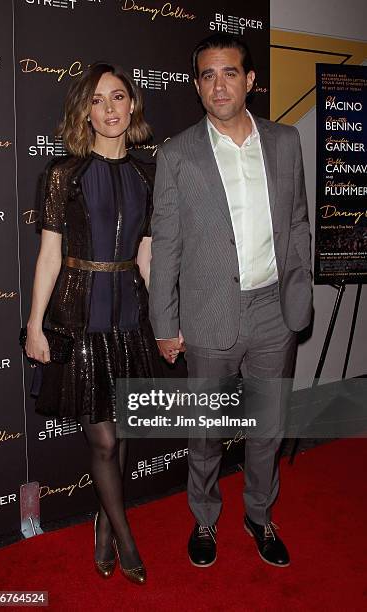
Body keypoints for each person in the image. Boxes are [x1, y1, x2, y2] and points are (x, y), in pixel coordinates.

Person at [149, 34, 313, 568]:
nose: (218, 85)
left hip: (273, 311)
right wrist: (164, 322)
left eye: (229, 73)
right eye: (207, 76)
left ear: (250, 80)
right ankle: (204, 518)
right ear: (197, 86)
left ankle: (260, 516)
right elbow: (166, 243)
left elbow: (296, 223)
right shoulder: (177, 154)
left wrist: (297, 293)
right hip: (207, 313)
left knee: (267, 427)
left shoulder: (286, 142)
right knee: (206, 432)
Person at [25, 62, 160, 585]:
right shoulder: (64, 175)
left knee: (122, 430)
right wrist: (35, 325)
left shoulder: (149, 174)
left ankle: (104, 525)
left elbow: (147, 257)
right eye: (99, 100)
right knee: (103, 440)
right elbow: (49, 256)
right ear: (85, 112)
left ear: (133, 106)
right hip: (78, 320)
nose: (110, 108)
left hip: (130, 317)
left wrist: (167, 318)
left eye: (119, 97)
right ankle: (125, 540)